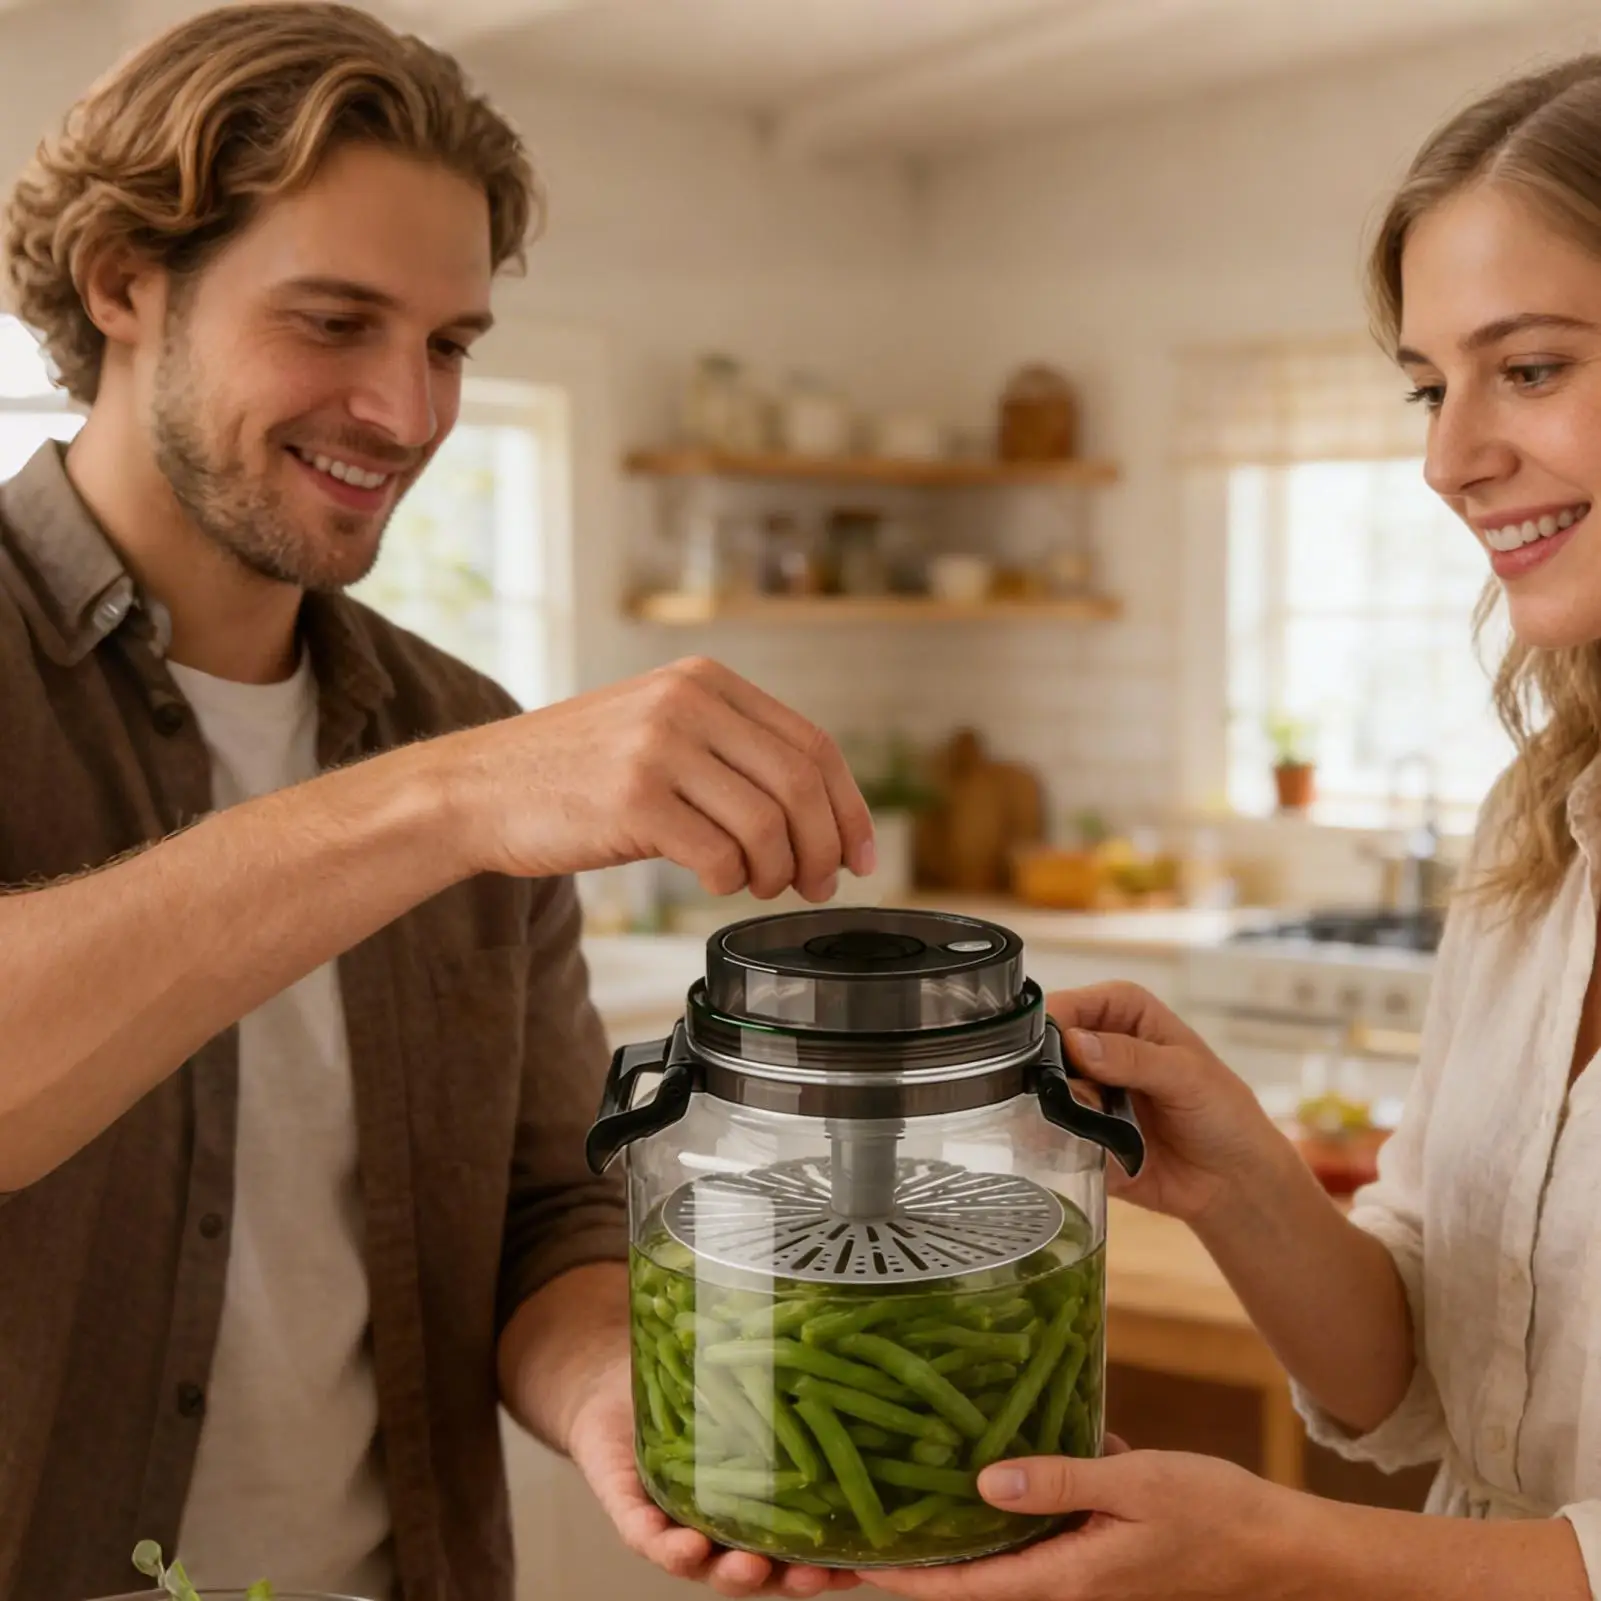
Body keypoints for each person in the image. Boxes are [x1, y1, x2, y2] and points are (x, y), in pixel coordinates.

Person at [0, 7, 873, 1600]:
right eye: (333, 323)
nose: (406, 414)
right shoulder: (461, 775)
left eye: (451, 345)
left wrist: (635, 1403)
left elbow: (547, 1214)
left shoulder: (449, 728)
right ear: (125, 282)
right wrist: (449, 802)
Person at [866, 51, 1601, 1601]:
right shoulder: (1538, 839)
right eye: (1429, 383)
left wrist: (1273, 1549)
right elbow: (1417, 1383)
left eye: (1530, 367)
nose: (1448, 457)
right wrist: (1241, 1177)